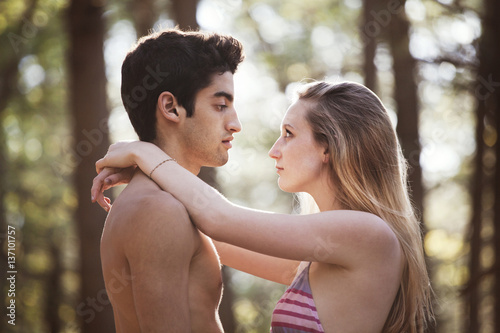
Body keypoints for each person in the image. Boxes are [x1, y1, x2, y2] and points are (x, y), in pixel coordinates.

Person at [93, 81, 434, 332]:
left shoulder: (366, 233)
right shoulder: (322, 256)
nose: (275, 149)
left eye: (288, 133)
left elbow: (218, 219)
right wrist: (148, 182)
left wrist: (145, 153)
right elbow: (201, 233)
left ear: (328, 147)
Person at [96, 28, 244, 332]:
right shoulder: (158, 210)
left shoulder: (163, 203)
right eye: (220, 105)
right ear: (171, 108)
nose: (235, 124)